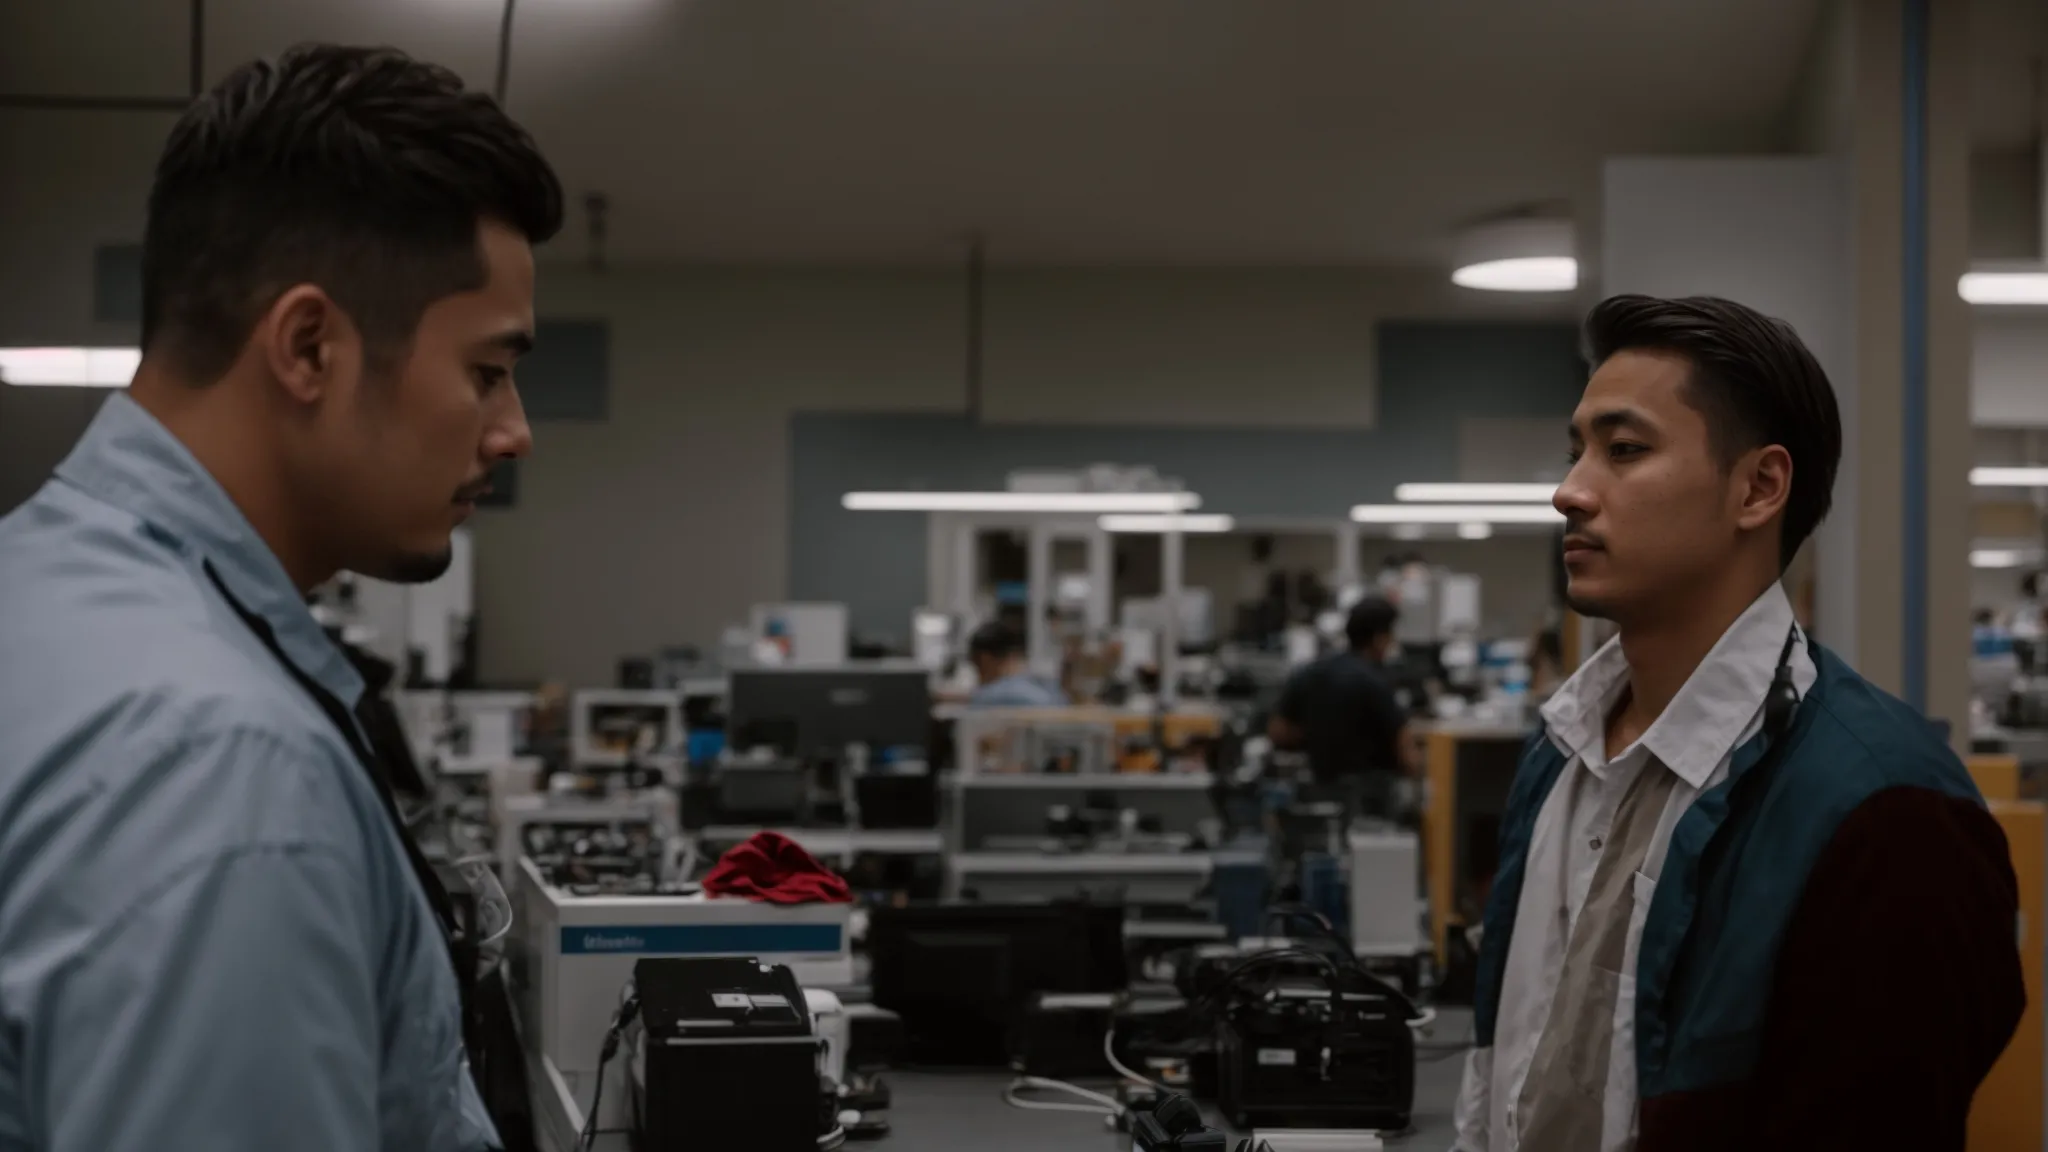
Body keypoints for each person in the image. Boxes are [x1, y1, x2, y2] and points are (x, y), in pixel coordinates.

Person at [0, 45, 561, 1152]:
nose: (513, 430)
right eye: (489, 370)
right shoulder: (219, 763)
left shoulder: (42, 592)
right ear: (310, 346)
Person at [1453, 295, 2023, 1152]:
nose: (1569, 492)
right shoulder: (1559, 755)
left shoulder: (1887, 813)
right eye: (1577, 453)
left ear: (1758, 487)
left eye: (1626, 450)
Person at [1268, 596, 1418, 818]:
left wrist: (1317, 733)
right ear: (1379, 639)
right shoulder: (1376, 682)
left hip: (1320, 793)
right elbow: (1407, 754)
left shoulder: (1310, 672)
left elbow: (1278, 731)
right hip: (1372, 801)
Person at [965, 621, 1070, 707]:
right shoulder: (1048, 686)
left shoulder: (991, 696)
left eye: (978, 667)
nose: (979, 676)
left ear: (985, 660)